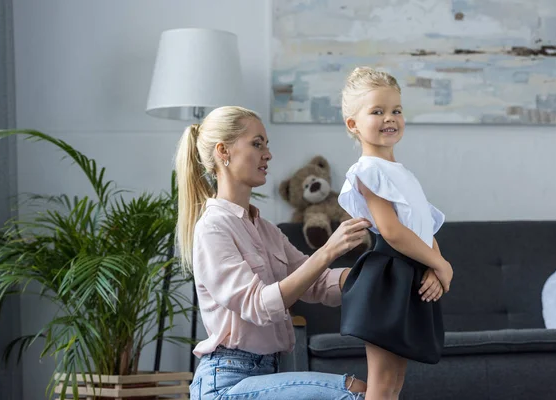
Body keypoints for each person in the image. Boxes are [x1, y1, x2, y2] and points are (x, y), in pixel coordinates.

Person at [176, 105, 371, 399]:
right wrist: (328, 250)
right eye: (257, 144)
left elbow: (317, 284)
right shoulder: (213, 228)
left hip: (270, 372)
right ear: (223, 151)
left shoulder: (266, 230)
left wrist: (374, 276)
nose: (268, 154)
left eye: (267, 145)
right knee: (355, 393)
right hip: (226, 383)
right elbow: (258, 306)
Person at [337, 67, 454, 400]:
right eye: (377, 111)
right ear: (353, 125)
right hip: (389, 278)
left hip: (411, 273)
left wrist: (434, 264)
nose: (390, 118)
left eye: (396, 110)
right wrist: (443, 266)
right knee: (383, 384)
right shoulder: (368, 170)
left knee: (395, 383)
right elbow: (392, 231)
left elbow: (423, 227)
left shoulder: (402, 174)